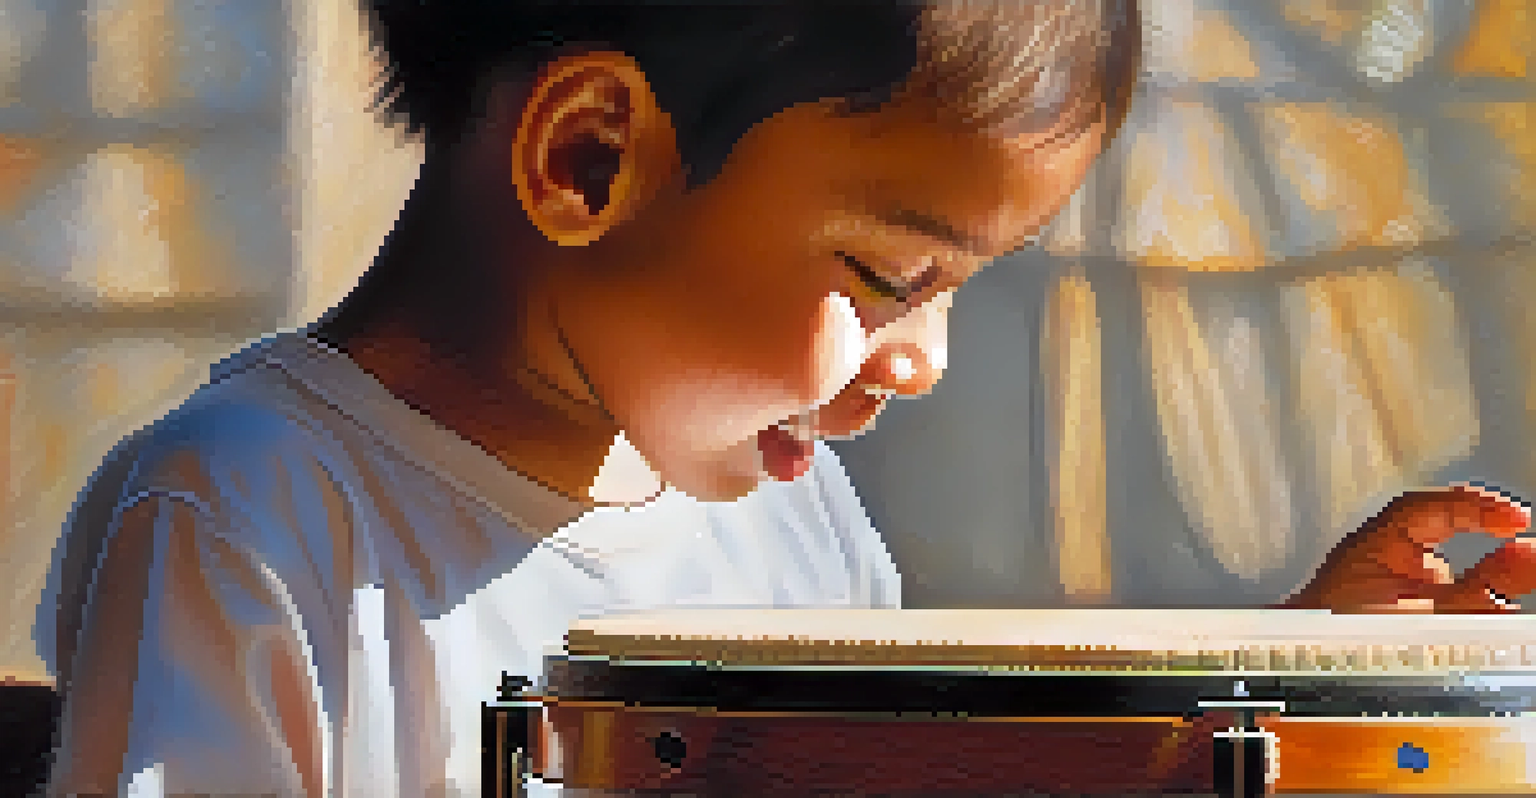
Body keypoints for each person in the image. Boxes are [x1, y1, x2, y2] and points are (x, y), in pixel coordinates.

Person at [33, 1, 1536, 796]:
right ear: (589, 160)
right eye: (892, 276)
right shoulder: (251, 517)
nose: (925, 360)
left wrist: (1273, 693)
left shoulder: (791, 518)